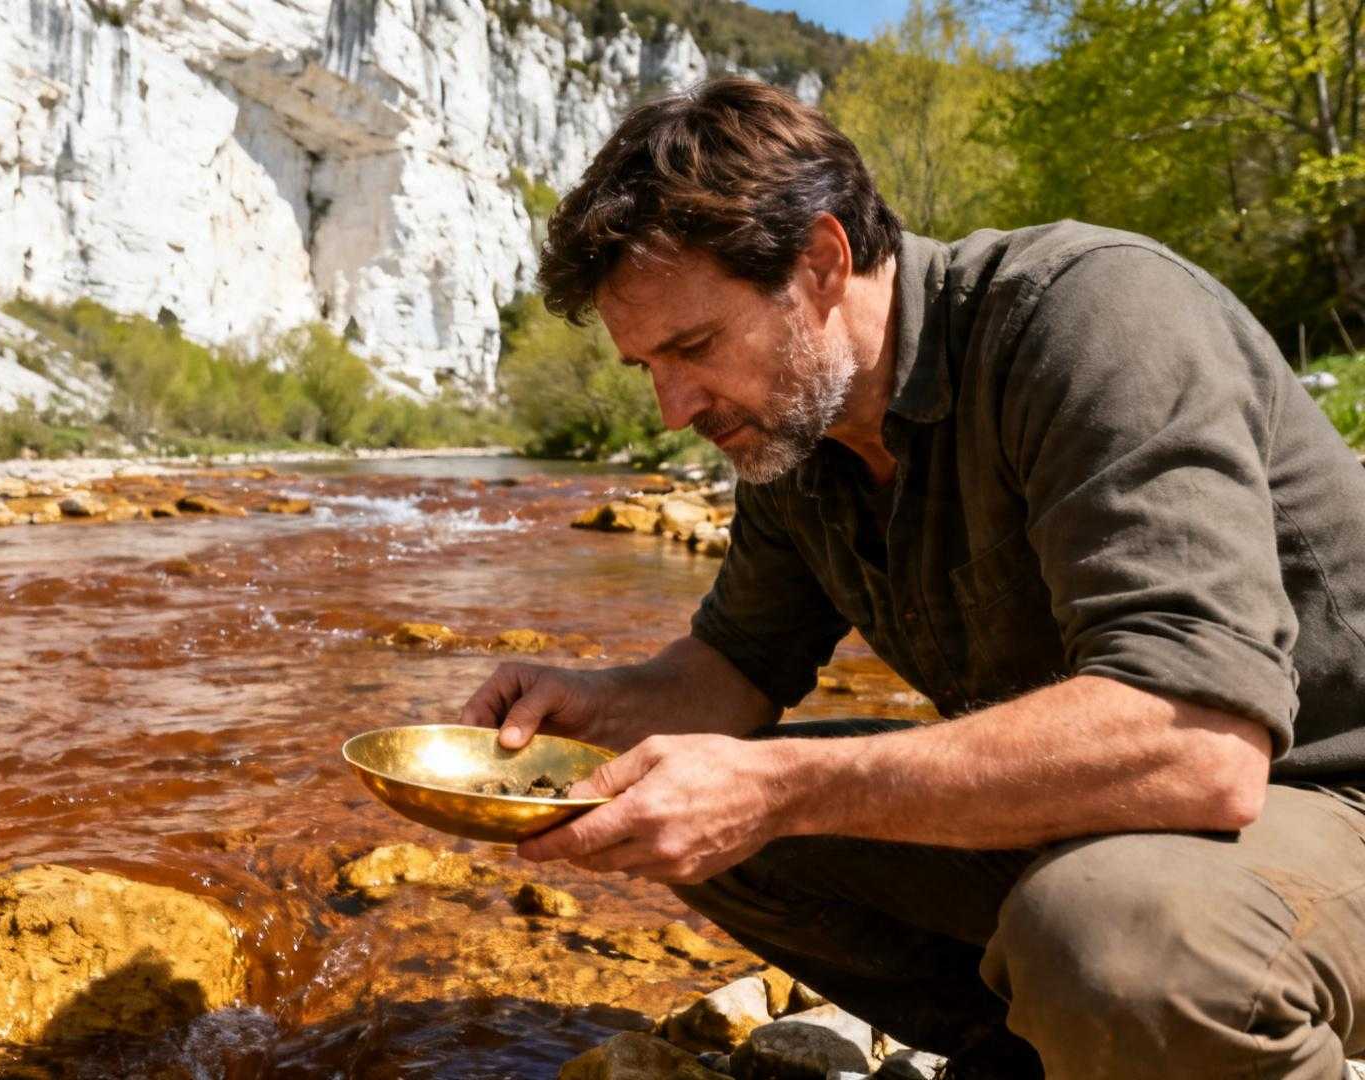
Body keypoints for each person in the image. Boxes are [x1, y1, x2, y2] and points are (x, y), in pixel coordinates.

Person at [460, 76, 1365, 1079]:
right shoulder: (796, 432)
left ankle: (1127, 1015)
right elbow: (733, 673)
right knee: (681, 804)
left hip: (1327, 789)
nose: (674, 409)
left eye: (695, 347)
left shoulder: (1091, 319)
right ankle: (1033, 1053)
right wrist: (592, 712)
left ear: (822, 262)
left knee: (1114, 937)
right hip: (1138, 814)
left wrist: (777, 787)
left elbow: (1202, 751)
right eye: (647, 369)